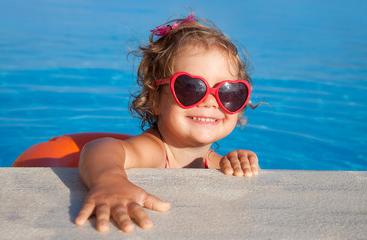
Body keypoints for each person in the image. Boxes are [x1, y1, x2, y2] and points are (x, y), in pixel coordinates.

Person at [74, 13, 260, 233]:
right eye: (190, 88)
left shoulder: (219, 163)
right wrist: (109, 180)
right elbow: (100, 147)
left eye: (228, 92)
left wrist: (238, 162)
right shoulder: (156, 149)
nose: (211, 102)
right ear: (154, 99)